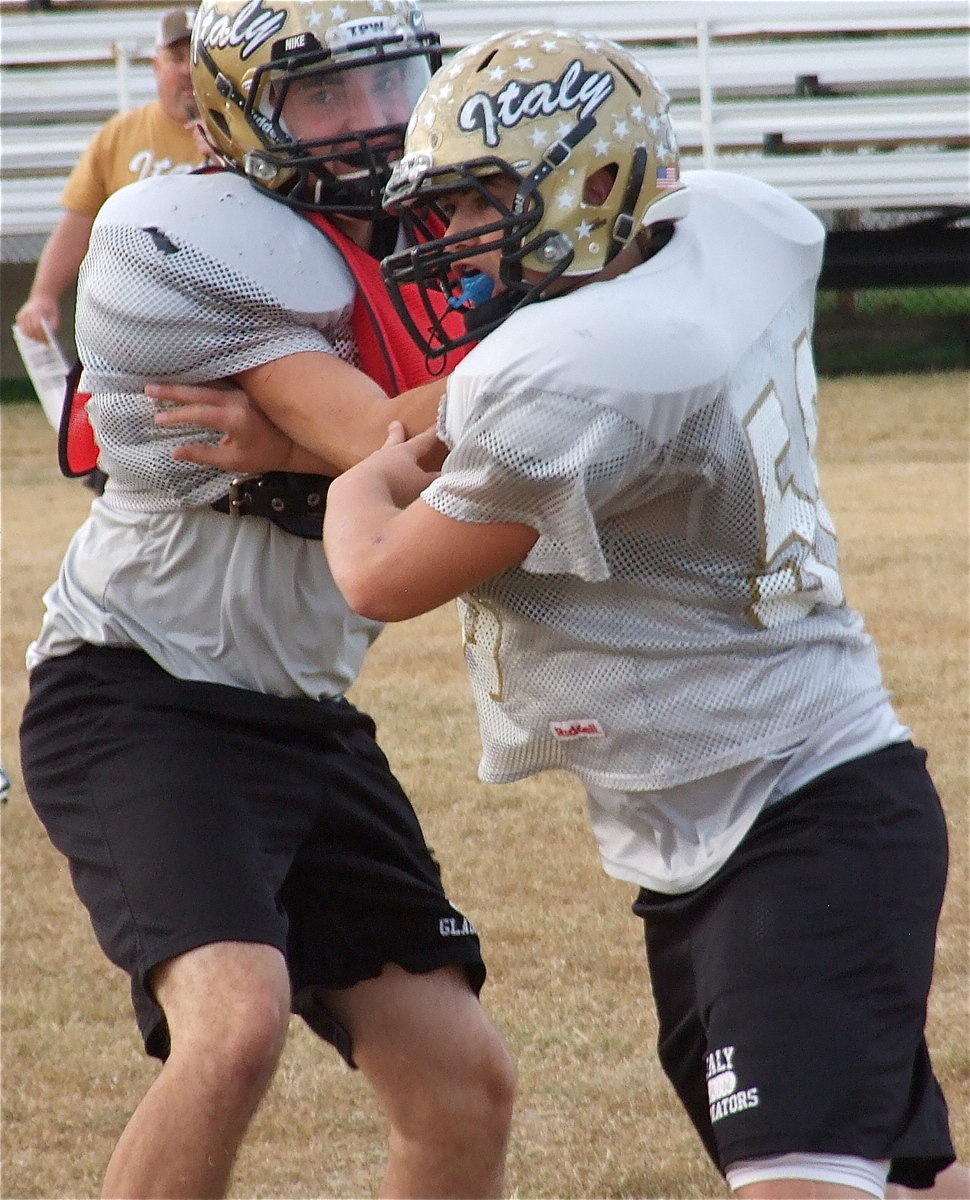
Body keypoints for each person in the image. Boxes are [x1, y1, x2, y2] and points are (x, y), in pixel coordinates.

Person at [314, 29, 968, 1200]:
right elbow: (493, 386)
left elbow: (380, 578)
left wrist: (355, 479)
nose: (450, 237)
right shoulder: (728, 229)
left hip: (791, 812)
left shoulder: (594, 365)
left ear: (592, 180)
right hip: (766, 808)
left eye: (477, 200)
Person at [17, 3, 515, 1197]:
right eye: (326, 96)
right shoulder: (193, 231)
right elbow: (377, 438)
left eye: (390, 80)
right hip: (141, 689)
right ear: (242, 113)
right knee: (235, 1025)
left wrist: (292, 454)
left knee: (463, 1084)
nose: (374, 122)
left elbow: (400, 449)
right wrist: (556, 363)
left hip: (304, 710)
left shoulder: (426, 229)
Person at [14, 8, 206, 344]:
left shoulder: (240, 134)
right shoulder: (119, 135)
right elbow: (79, 223)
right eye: (176, 57)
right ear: (155, 66)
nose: (189, 69)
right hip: (132, 315)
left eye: (199, 56)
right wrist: (43, 294)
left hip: (213, 308)